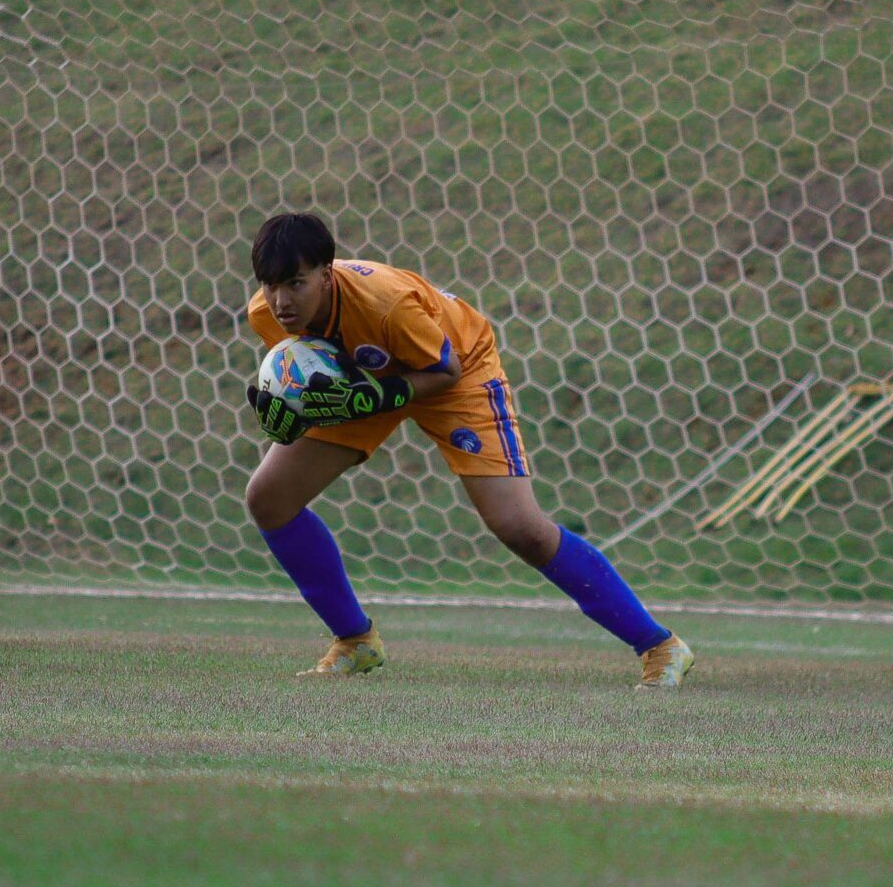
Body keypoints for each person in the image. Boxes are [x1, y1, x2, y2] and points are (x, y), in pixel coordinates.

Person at [239, 214, 694, 690]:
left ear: (327, 274)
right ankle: (355, 641)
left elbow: (445, 369)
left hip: (456, 371)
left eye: (296, 283)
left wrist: (374, 395)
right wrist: (298, 413)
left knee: (521, 529)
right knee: (269, 499)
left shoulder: (386, 305)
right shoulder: (265, 314)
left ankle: (660, 646)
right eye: (270, 285)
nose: (282, 301)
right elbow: (317, 373)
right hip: (368, 380)